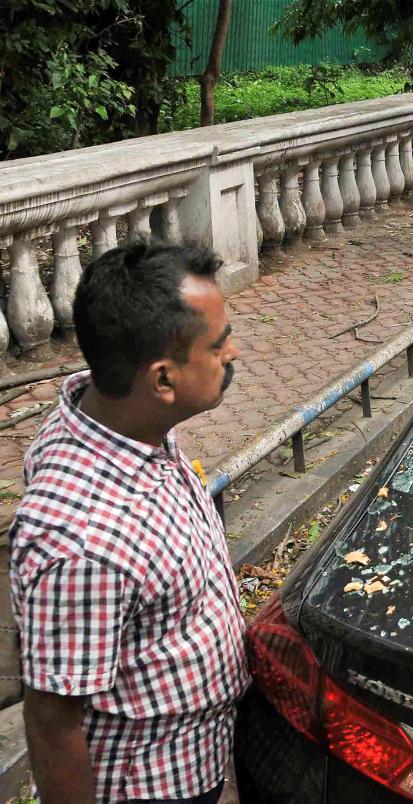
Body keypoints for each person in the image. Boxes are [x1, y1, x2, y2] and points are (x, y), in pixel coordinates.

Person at [9, 241, 247, 804]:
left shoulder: (120, 421)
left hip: (203, 750)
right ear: (163, 380)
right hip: (152, 783)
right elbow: (52, 719)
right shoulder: (82, 541)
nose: (234, 351)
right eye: (218, 345)